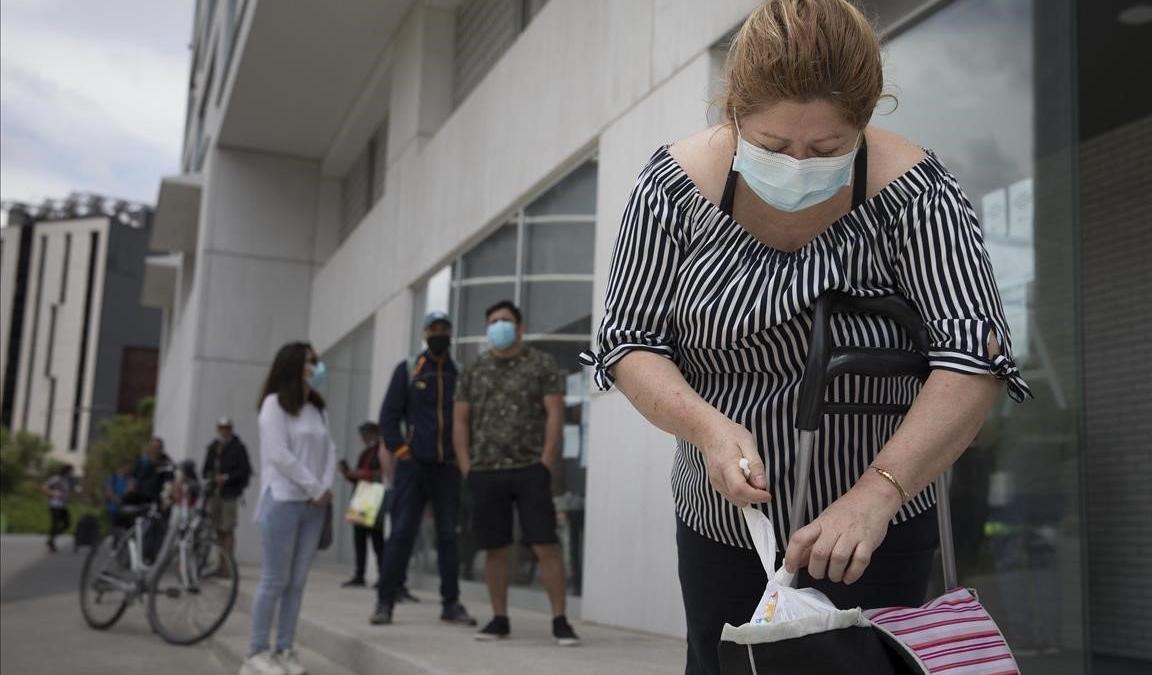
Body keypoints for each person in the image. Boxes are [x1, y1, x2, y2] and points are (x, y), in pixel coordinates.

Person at [578, 1, 1032, 672]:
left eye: (824, 150)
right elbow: (630, 341)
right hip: (723, 523)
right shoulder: (672, 190)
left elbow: (972, 359)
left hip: (873, 526)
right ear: (732, 111)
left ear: (866, 122)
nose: (796, 165)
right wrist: (706, 427)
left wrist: (879, 490)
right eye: (768, 146)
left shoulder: (916, 193)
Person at [453, 301, 580, 646]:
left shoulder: (541, 365)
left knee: (545, 544)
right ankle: (499, 618)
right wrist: (467, 467)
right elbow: (460, 420)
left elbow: (555, 414)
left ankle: (560, 620)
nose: (499, 326)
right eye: (493, 321)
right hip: (485, 471)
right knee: (495, 547)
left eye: (506, 321)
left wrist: (546, 461)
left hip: (530, 469)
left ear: (520, 327)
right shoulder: (474, 370)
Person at [370, 311, 476, 626]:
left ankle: (451, 604)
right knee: (401, 533)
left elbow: (469, 419)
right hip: (413, 467)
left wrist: (461, 456)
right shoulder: (407, 369)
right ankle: (384, 602)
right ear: (424, 333)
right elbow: (388, 417)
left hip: (447, 469)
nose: (439, 333)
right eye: (434, 329)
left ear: (451, 333)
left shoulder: (459, 373)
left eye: (445, 328)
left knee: (448, 536)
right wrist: (401, 450)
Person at [242, 342, 336, 675]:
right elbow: (278, 454)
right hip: (282, 500)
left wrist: (324, 488)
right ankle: (255, 653)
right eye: (311, 361)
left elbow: (330, 449)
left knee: (297, 582)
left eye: (317, 361)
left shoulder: (317, 408)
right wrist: (313, 487)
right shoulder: (273, 405)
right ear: (295, 365)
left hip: (314, 507)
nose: (317, 366)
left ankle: (284, 648)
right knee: (274, 580)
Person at [202, 416, 253, 577]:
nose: (224, 431)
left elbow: (245, 471)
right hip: (214, 493)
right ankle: (220, 563)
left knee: (227, 528)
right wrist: (213, 477)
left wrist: (227, 478)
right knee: (217, 529)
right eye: (221, 428)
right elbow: (205, 469)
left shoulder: (238, 448)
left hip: (229, 494)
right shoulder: (213, 447)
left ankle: (228, 566)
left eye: (227, 428)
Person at [340, 421, 386, 588]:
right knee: (359, 539)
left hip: (373, 494)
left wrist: (362, 474)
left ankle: (383, 576)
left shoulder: (382, 450)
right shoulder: (365, 453)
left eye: (366, 435)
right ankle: (359, 574)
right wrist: (348, 473)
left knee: (376, 539)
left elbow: (382, 473)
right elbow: (357, 475)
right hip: (362, 495)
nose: (363, 438)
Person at [41, 465, 74, 552]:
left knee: (67, 524)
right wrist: (53, 493)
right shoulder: (56, 478)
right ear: (66, 471)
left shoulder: (67, 480)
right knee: (55, 524)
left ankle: (51, 539)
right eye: (70, 471)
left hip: (63, 506)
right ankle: (51, 542)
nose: (71, 473)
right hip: (55, 505)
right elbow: (44, 487)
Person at [103, 461, 133, 530]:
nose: (128, 469)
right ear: (122, 467)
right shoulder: (113, 478)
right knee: (114, 529)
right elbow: (108, 492)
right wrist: (118, 500)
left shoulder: (129, 479)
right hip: (113, 509)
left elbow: (130, 491)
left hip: (125, 510)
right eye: (127, 467)